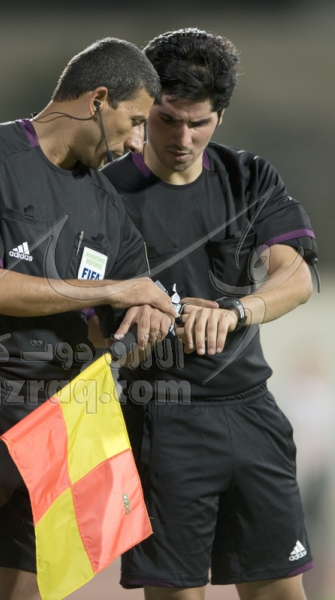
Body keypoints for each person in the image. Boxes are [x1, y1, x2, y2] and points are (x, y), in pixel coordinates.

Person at [0, 38, 177, 600]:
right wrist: (117, 288)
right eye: (136, 122)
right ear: (98, 99)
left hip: (64, 408)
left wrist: (145, 320)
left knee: (35, 591)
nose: (138, 144)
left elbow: (116, 324)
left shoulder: (109, 206)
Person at [101, 28, 318, 600]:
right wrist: (132, 326)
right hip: (160, 417)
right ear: (145, 108)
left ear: (220, 115)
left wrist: (236, 311)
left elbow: (296, 276)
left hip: (252, 412)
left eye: (199, 123)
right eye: (168, 120)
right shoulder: (102, 194)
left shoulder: (249, 176)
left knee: (280, 590)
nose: (183, 138)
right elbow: (86, 314)